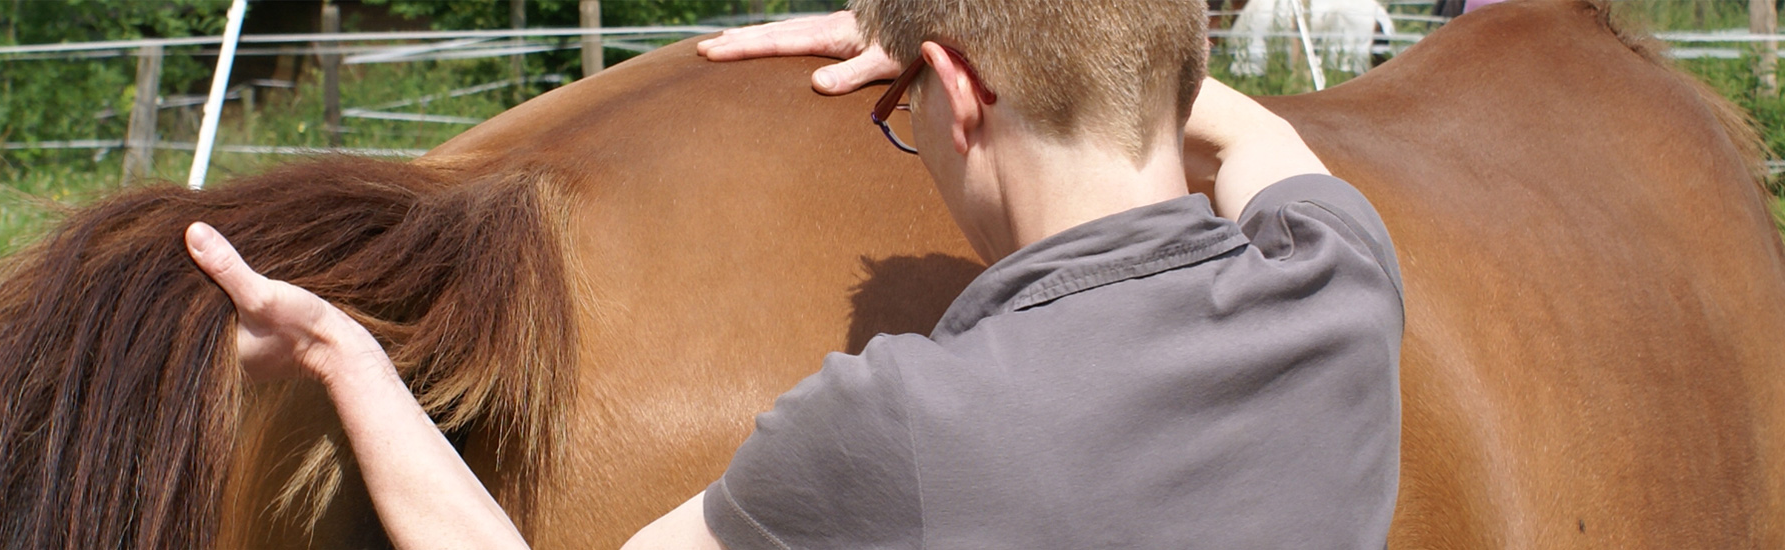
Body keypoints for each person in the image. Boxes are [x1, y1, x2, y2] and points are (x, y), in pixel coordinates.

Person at [183, 1, 1404, 548]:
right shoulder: (1342, 287)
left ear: (959, 98)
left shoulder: (906, 426)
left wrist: (349, 357)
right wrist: (1048, 46)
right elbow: (1250, 139)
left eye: (913, 107)